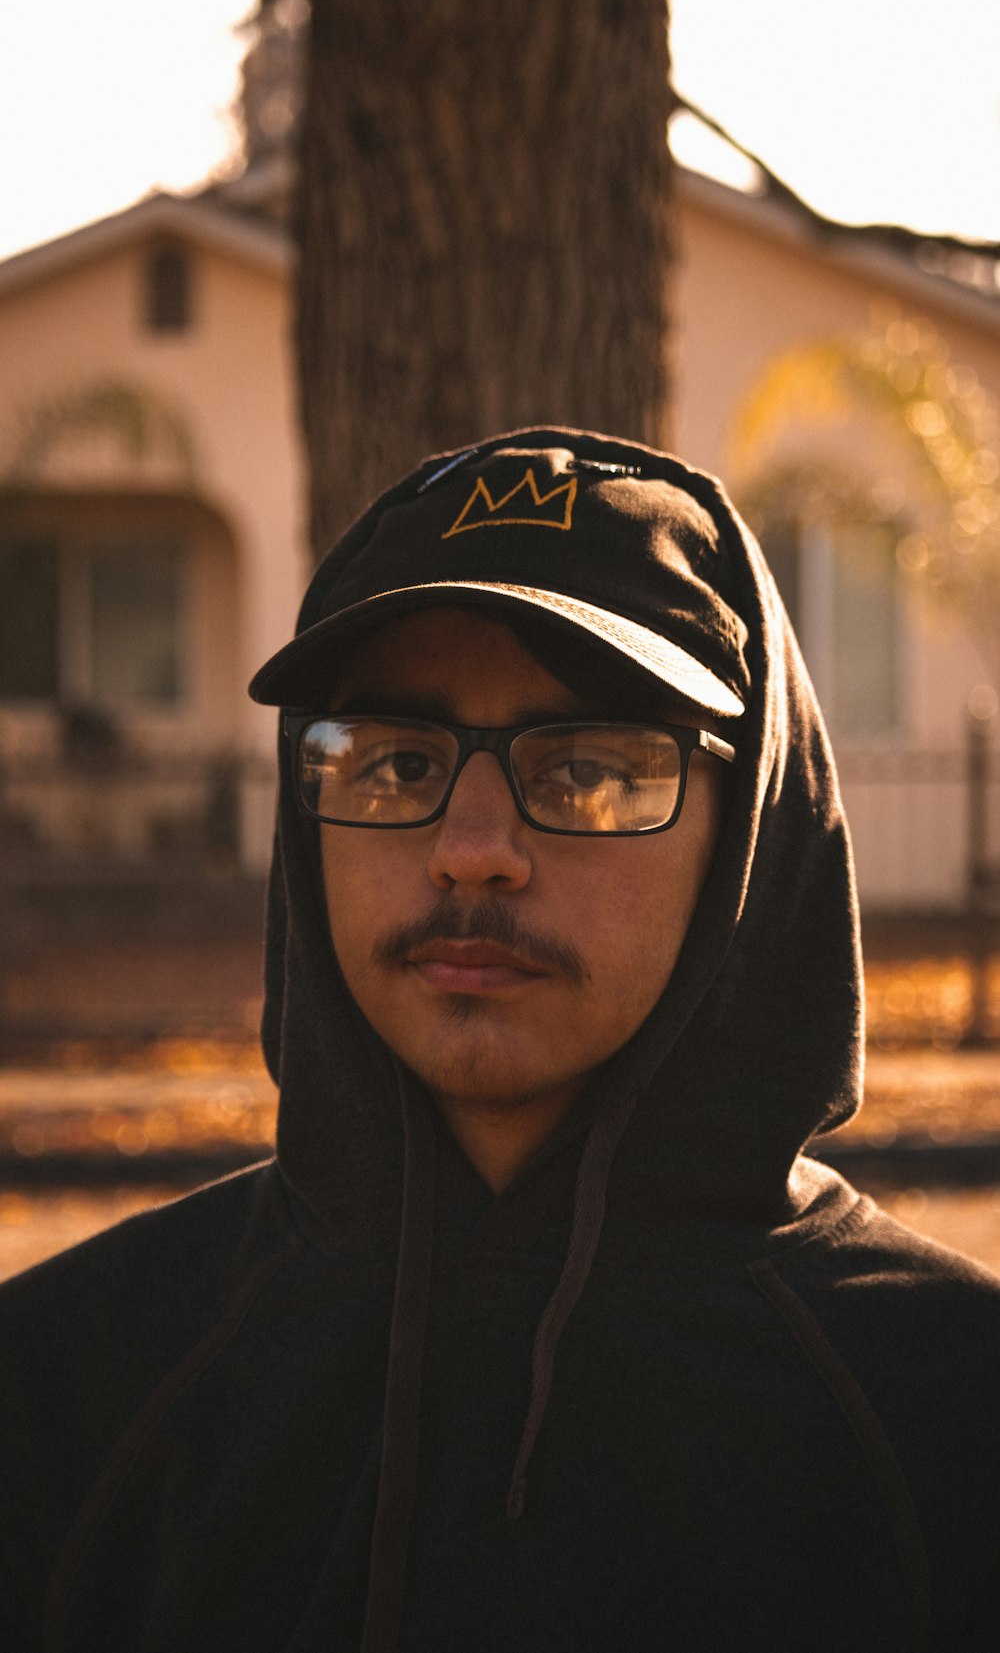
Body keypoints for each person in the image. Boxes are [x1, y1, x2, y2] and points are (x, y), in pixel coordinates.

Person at [1, 426, 998, 1653]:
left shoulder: (947, 1421)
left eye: (589, 768)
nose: (473, 845)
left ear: (748, 831)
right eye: (396, 759)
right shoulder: (67, 1394)